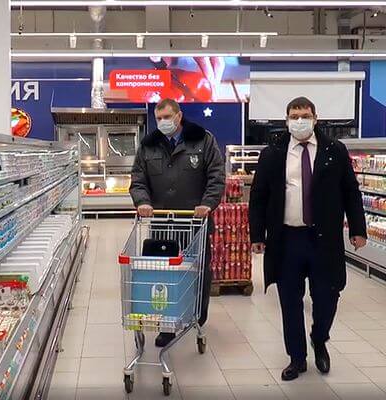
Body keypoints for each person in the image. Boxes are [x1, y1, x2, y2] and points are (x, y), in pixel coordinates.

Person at [248, 97, 367, 381]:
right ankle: (297, 358)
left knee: (327, 296)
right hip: (286, 239)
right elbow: (259, 197)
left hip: (324, 239)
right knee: (290, 301)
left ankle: (319, 337)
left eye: (304, 115)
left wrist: (358, 229)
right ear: (286, 120)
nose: (299, 121)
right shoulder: (273, 153)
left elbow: (350, 191)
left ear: (315, 118)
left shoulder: (334, 150)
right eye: (294, 116)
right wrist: (257, 234)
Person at [130, 98, 226, 347]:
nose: (163, 122)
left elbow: (216, 176)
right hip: (162, 224)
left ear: (179, 116)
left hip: (196, 223)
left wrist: (207, 204)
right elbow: (138, 179)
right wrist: (142, 201)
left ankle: (196, 317)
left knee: (198, 272)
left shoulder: (203, 140)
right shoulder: (148, 145)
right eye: (159, 118)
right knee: (164, 274)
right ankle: (167, 324)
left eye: (167, 117)